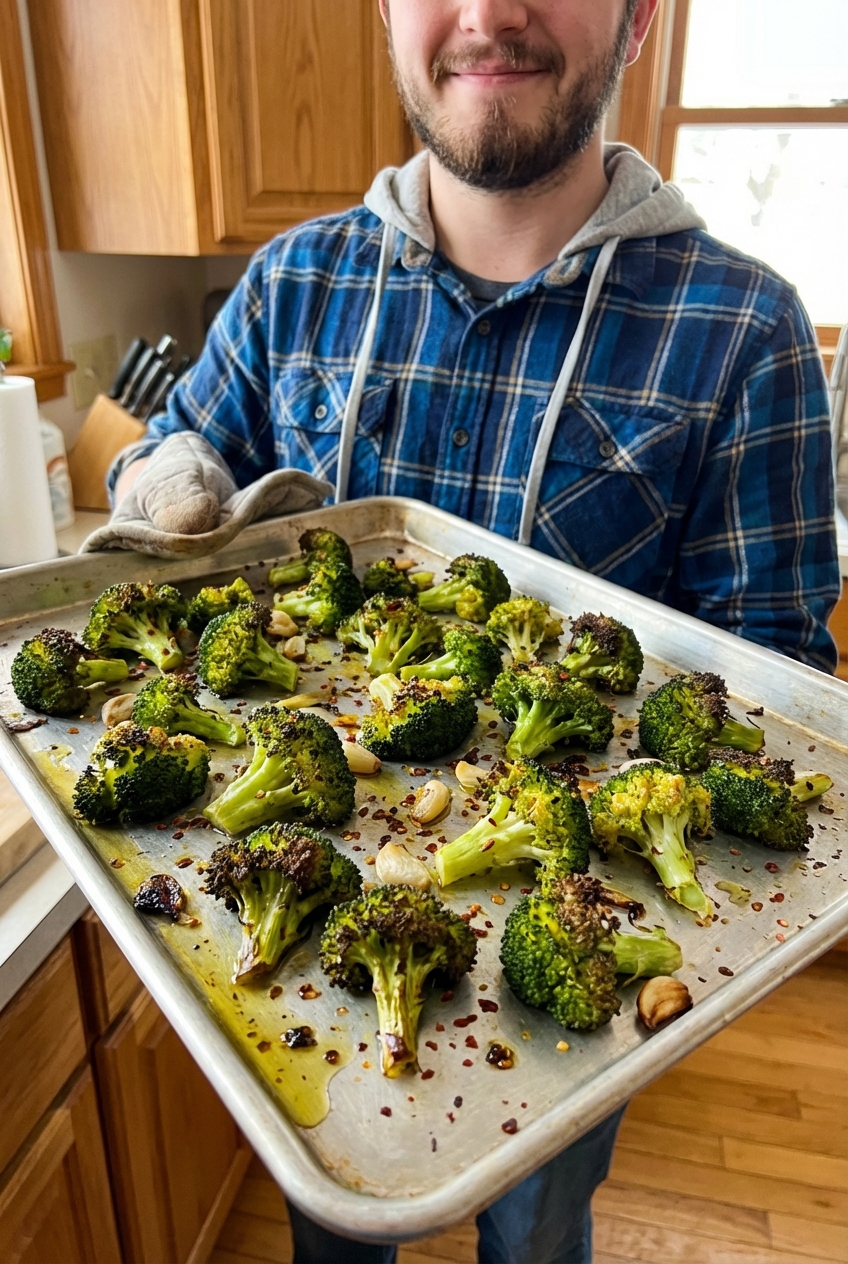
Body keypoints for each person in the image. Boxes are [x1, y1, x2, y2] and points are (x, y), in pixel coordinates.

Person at [104, 1, 840, 1259]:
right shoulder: (292, 282)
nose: (488, 13)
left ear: (637, 16)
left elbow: (774, 689)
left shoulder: (743, 328)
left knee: (538, 1233)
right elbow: (173, 455)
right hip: (308, 926)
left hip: (569, 941)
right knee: (332, 1219)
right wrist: (162, 477)